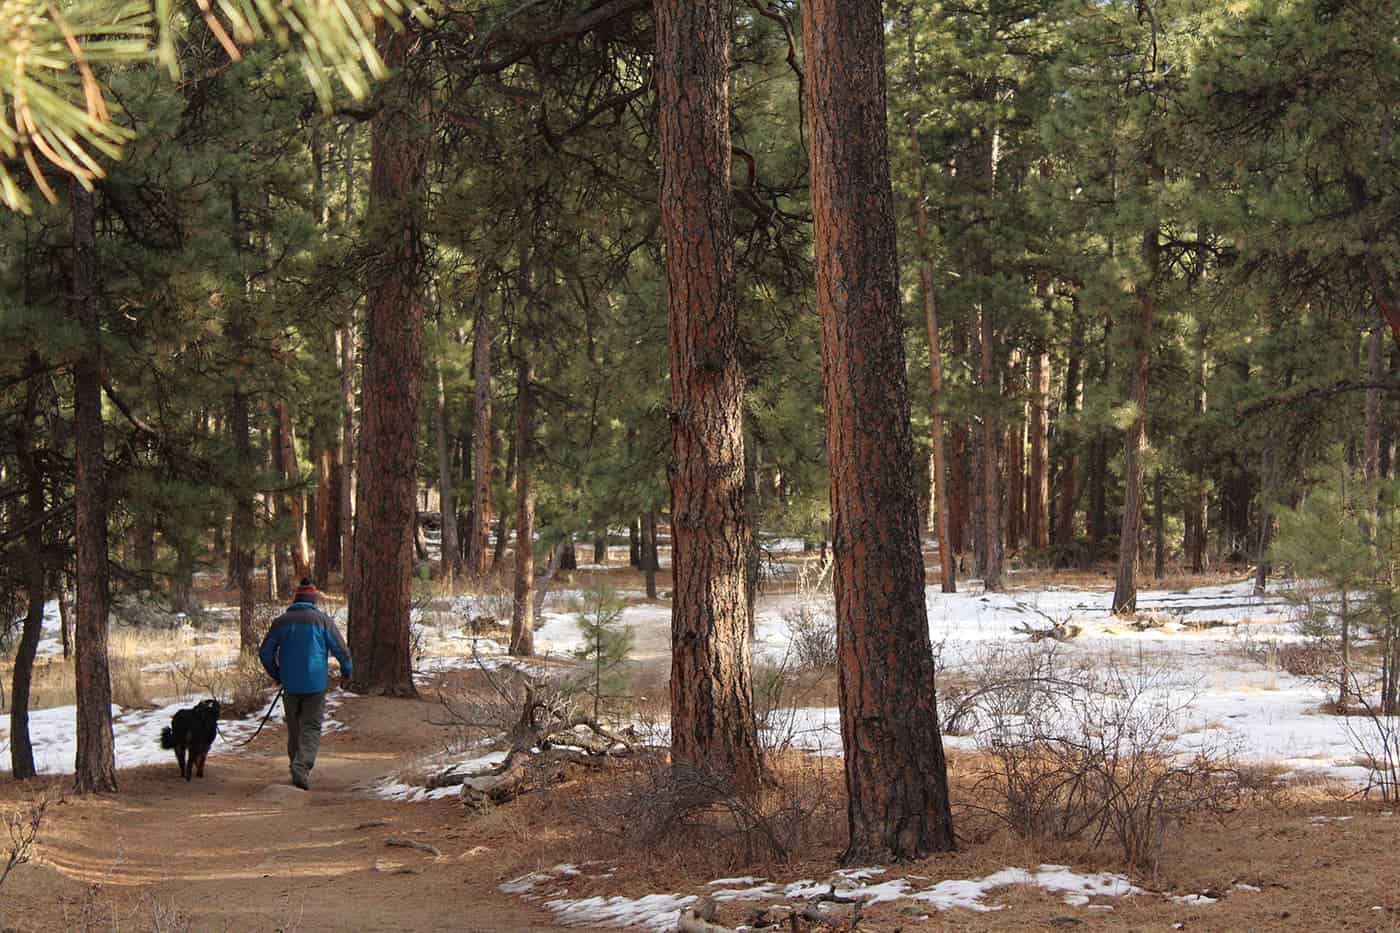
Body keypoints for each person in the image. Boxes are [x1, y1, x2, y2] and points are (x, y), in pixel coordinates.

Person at [258, 578, 353, 790]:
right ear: (313, 600)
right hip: (315, 685)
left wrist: (277, 674)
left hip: (290, 685)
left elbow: (265, 653)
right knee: (311, 727)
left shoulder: (281, 622)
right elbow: (341, 651)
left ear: (296, 599)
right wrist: (347, 672)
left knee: (295, 729)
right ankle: (301, 768)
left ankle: (296, 766)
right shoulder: (323, 621)